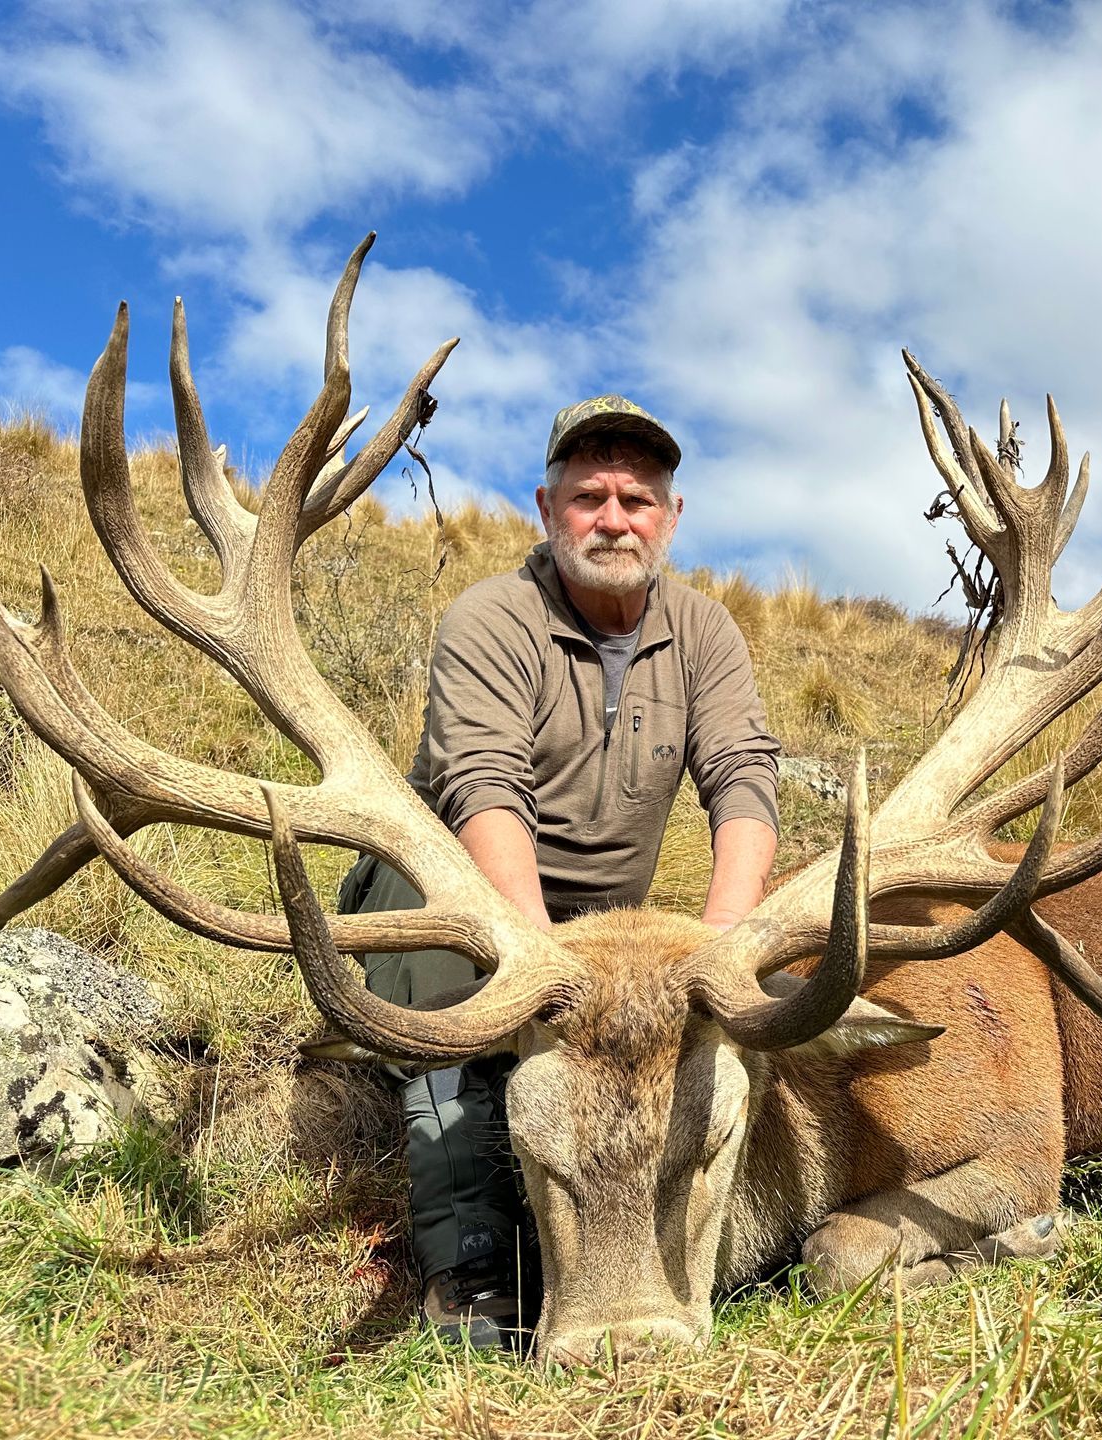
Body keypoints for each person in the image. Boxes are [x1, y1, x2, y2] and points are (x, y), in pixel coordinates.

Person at [337, 395, 780, 1349]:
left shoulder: (706, 633)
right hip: (459, 891)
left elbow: (744, 779)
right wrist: (536, 965)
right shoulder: (491, 617)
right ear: (547, 509)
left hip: (603, 919)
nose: (613, 519)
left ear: (670, 517)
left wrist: (718, 957)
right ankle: (474, 1263)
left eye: (636, 498)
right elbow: (484, 785)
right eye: (589, 498)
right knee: (453, 948)